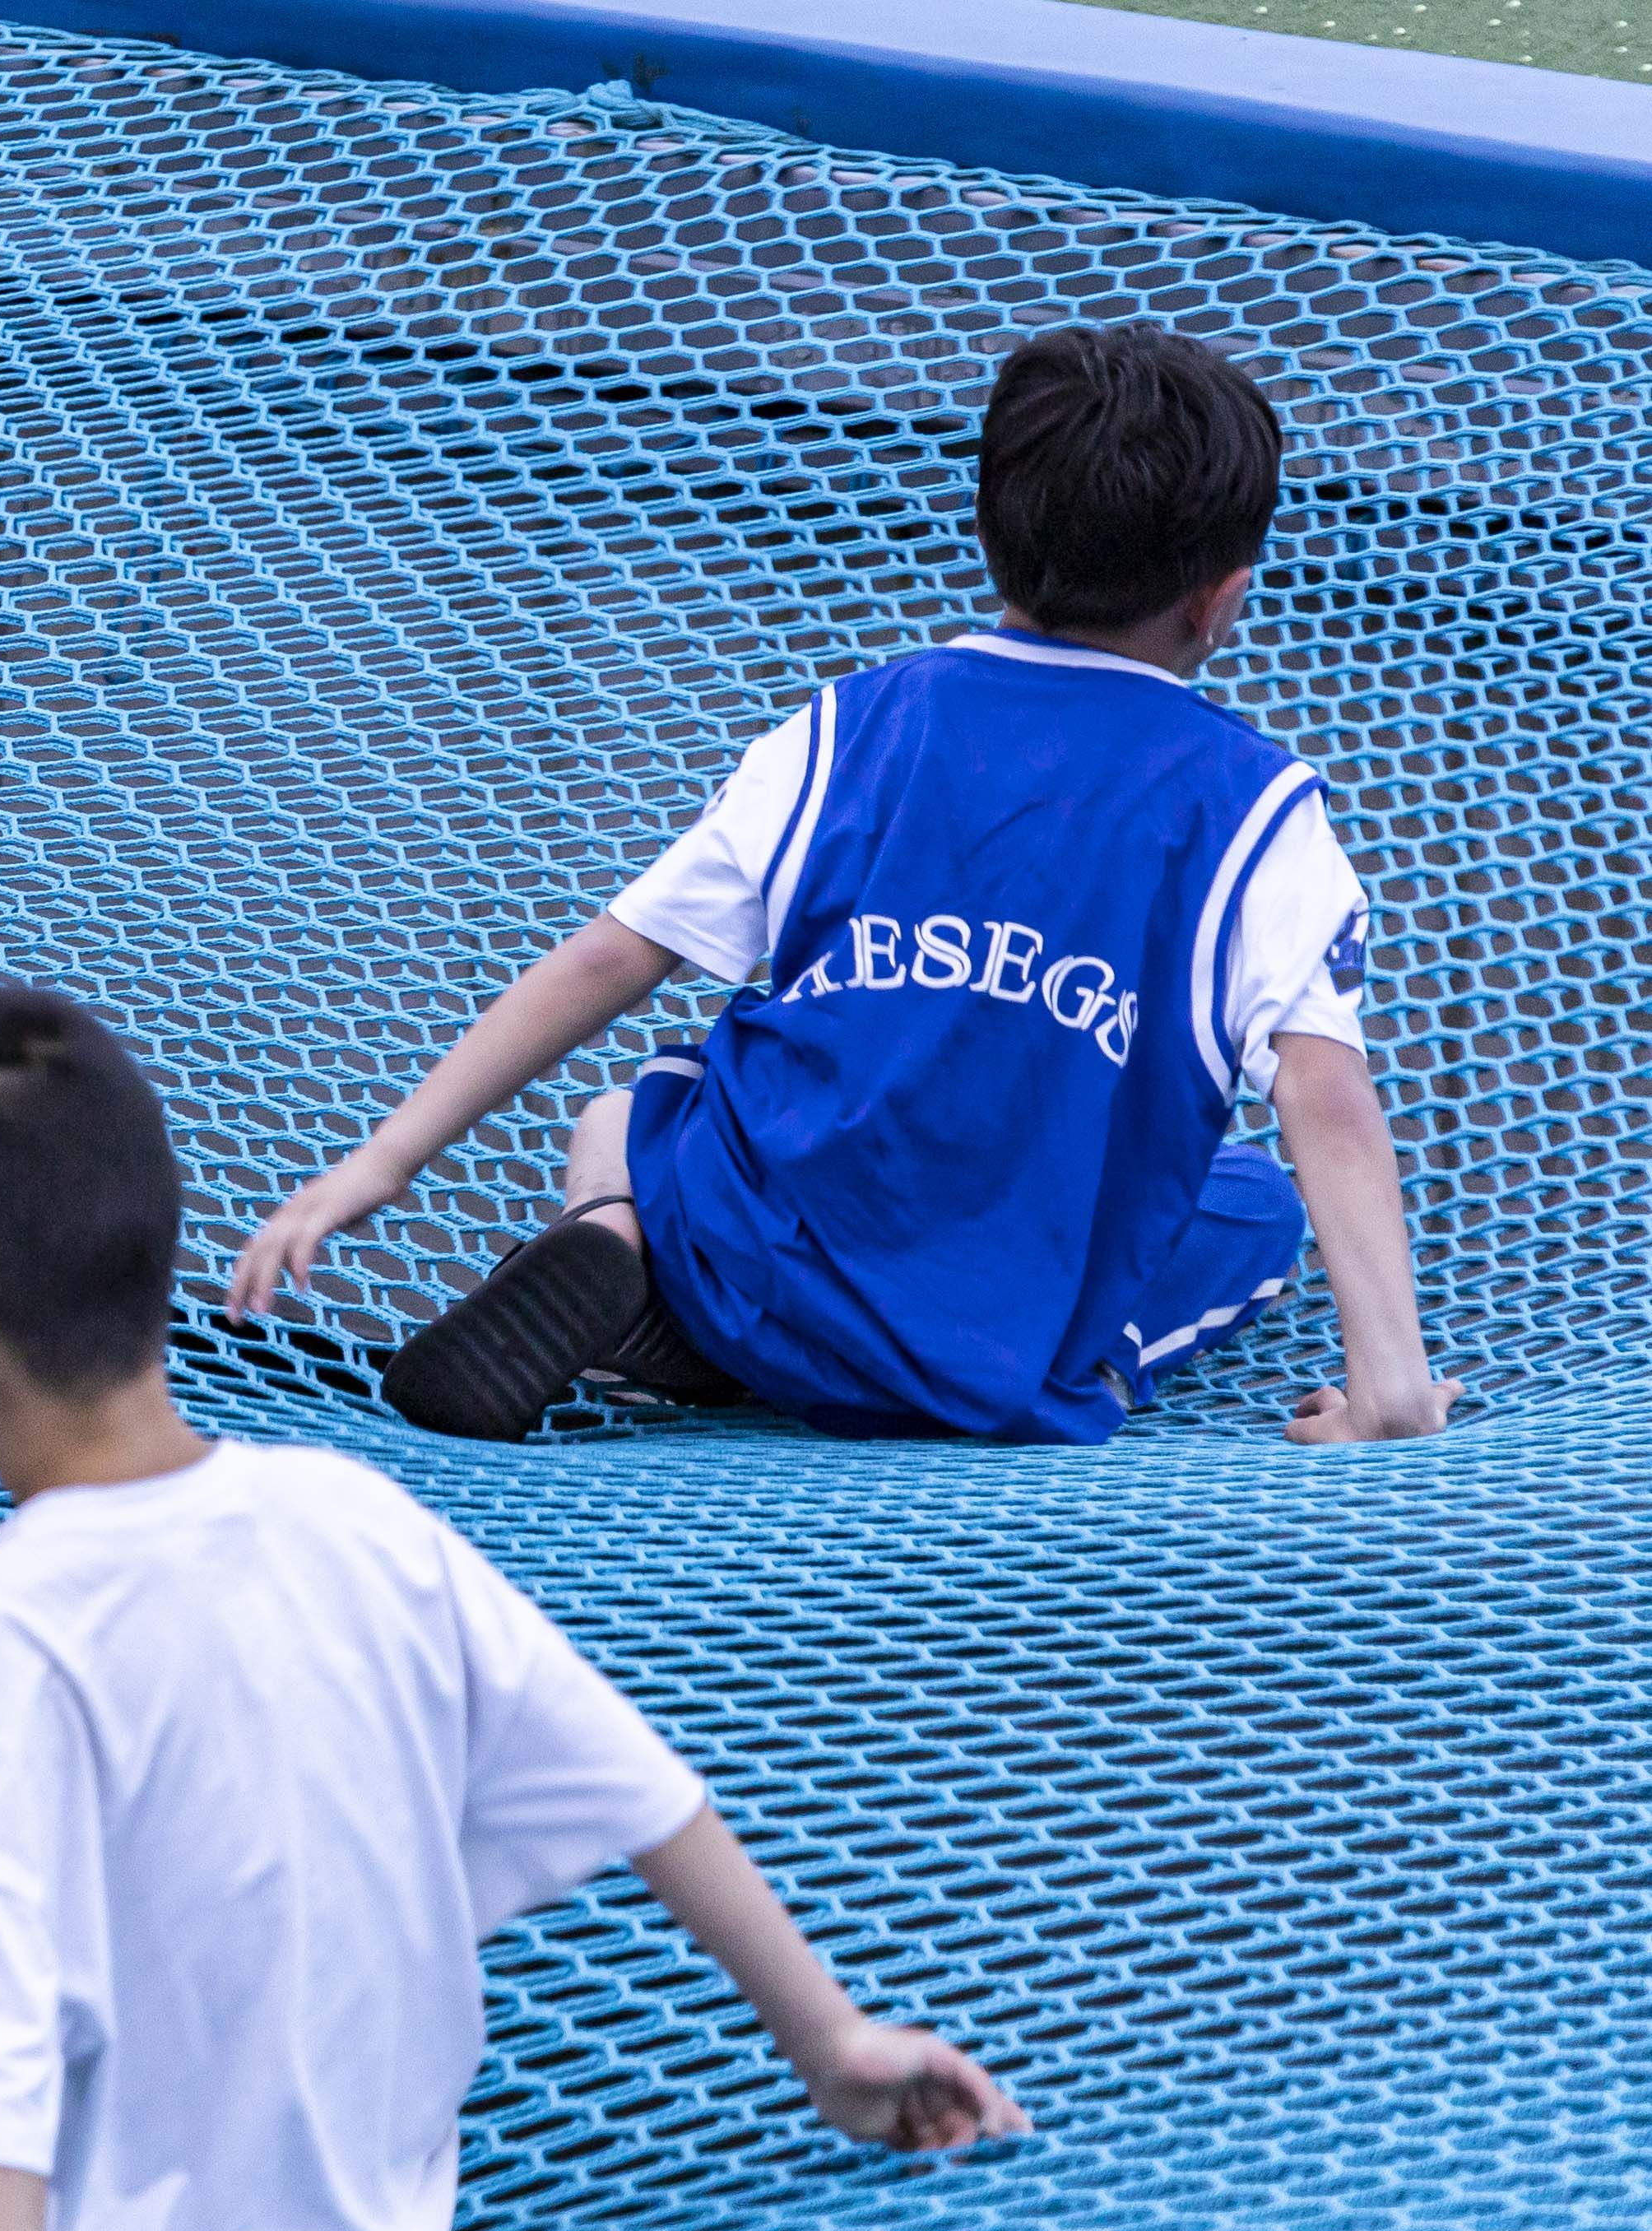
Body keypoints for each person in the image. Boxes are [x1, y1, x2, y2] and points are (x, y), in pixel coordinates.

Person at [0, 983, 1025, 2231]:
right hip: (361, 2198)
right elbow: (630, 1781)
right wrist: (831, 2042)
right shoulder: (348, 1511)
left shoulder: (2, 1625)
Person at [228, 324, 1451, 1449]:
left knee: (625, 1110)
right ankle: (1035, 1359)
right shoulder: (1255, 810)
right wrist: (1387, 1386)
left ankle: (619, 1237)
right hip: (986, 1345)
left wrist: (382, 1159)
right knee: (1254, 1211)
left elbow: (614, 954)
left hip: (754, 1256)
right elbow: (1323, 1089)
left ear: (990, 535)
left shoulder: (850, 726)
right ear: (1221, 599)